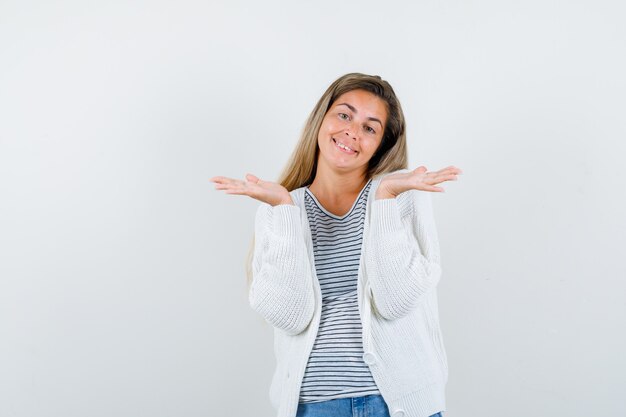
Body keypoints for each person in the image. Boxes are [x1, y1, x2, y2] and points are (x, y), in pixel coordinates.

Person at [210, 73, 462, 417]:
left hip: (397, 405)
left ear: (381, 144)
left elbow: (395, 301)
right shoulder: (279, 209)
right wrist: (284, 210)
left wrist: (385, 198)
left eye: (370, 128)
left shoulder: (401, 195)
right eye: (344, 115)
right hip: (313, 406)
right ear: (322, 119)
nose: (352, 132)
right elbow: (291, 316)